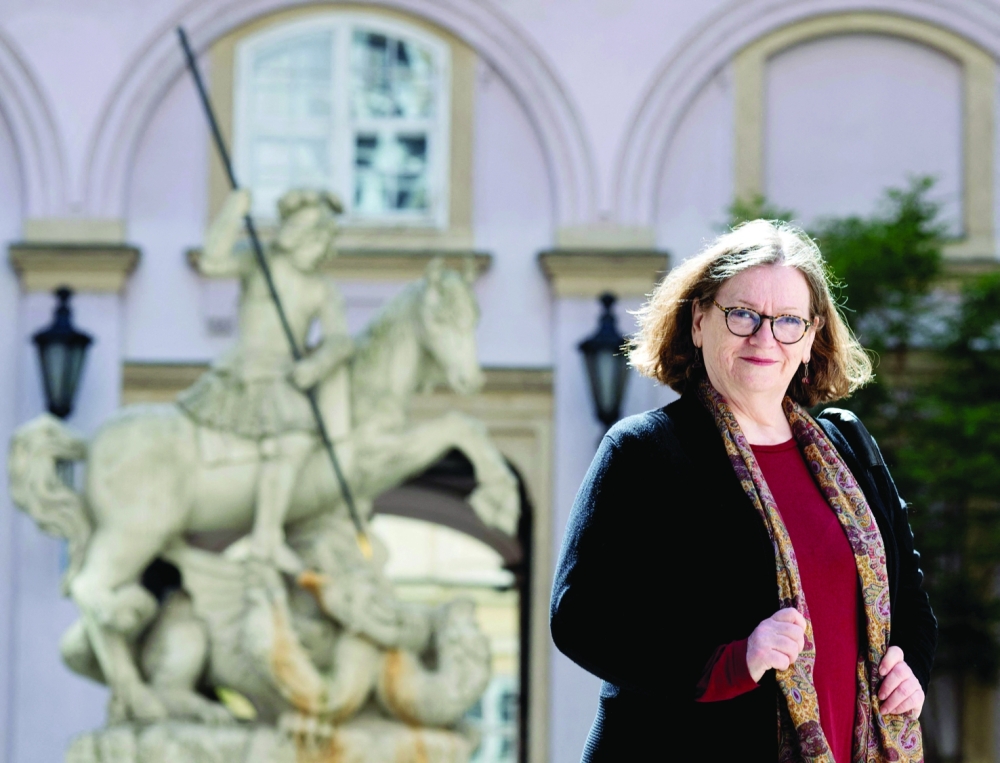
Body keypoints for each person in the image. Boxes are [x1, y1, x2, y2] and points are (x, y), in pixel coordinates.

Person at [550, 220, 936, 762]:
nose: (763, 338)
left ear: (810, 339)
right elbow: (580, 616)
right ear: (700, 321)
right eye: (742, 315)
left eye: (787, 322)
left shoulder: (847, 447)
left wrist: (910, 669)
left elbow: (911, 600)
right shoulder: (646, 451)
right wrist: (733, 660)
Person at [179, 187, 354, 566]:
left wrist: (316, 365)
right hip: (243, 369)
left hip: (283, 375)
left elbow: (340, 340)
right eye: (309, 233)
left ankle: (266, 536)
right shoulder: (257, 262)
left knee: (295, 441)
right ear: (292, 233)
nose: (316, 243)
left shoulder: (321, 289)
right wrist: (233, 211)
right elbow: (212, 261)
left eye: (323, 236)